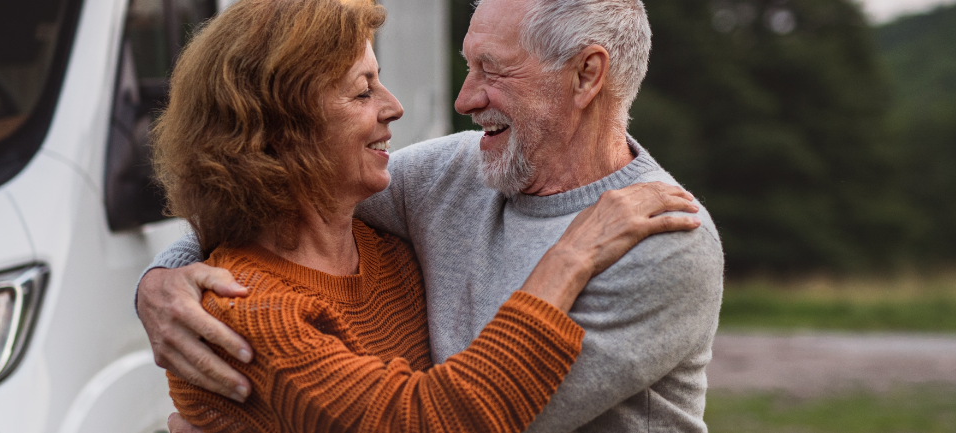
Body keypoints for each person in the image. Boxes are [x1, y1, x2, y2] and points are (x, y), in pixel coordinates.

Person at [140, 0, 725, 431]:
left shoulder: (660, 237)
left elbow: (470, 420)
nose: (463, 100)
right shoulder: (448, 175)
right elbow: (265, 200)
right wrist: (161, 284)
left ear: (586, 75)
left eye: (493, 71)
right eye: (363, 90)